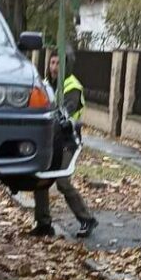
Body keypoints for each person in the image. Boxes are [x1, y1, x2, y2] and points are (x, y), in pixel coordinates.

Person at [30, 52, 99, 238]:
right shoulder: (45, 84)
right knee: (41, 178)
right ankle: (43, 223)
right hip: (49, 138)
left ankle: (87, 219)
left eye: (58, 63)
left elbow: (67, 110)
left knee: (61, 181)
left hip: (68, 140)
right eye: (52, 62)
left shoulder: (72, 86)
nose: (54, 66)